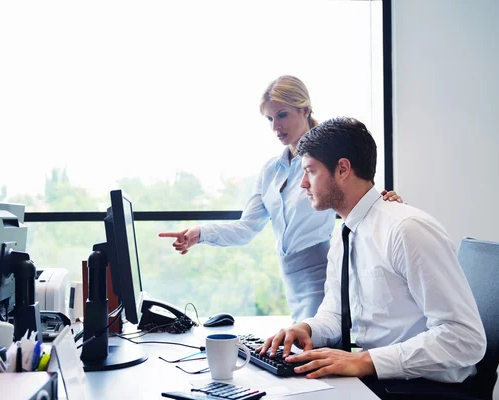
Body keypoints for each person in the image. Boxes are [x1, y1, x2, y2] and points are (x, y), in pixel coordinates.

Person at [257, 117, 486, 398]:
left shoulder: (406, 229)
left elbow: (465, 339)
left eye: (310, 171)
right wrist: (307, 329)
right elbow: (334, 313)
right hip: (378, 379)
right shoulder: (345, 234)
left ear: (342, 169)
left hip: (422, 387)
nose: (302, 184)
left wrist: (366, 361)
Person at [159, 76, 402, 322]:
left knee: (313, 347)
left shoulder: (327, 162)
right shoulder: (270, 171)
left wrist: (383, 201)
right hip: (290, 278)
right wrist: (199, 233)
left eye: (282, 115)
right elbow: (246, 228)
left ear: (305, 109)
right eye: (270, 119)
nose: (276, 127)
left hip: (322, 273)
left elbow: (357, 198)